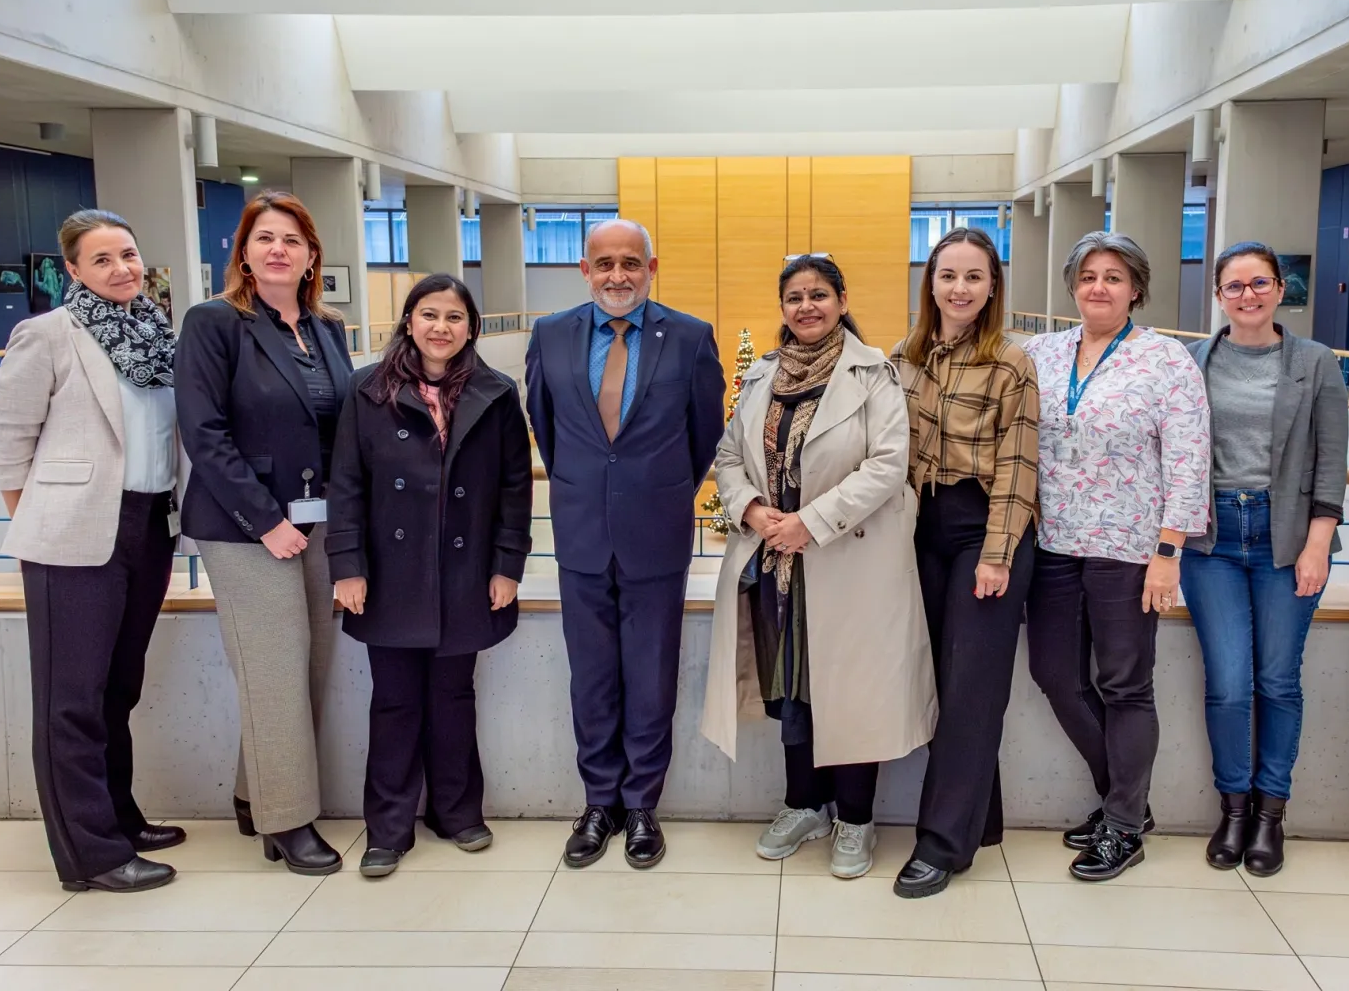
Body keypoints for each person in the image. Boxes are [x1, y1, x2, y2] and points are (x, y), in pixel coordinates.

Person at [700, 256, 935, 880]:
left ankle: (855, 819)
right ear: (783, 307)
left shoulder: (873, 375)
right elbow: (728, 454)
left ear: (841, 299)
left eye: (819, 295)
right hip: (777, 561)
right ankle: (805, 804)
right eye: (795, 297)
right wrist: (752, 510)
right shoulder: (762, 377)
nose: (807, 306)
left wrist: (811, 521)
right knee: (791, 688)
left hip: (850, 560)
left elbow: (888, 465)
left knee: (853, 693)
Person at [0, 210, 183, 893]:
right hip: (74, 536)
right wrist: (43, 522)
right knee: (71, 699)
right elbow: (9, 440)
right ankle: (90, 855)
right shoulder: (47, 335)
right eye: (101, 260)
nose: (121, 269)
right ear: (71, 270)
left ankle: (119, 818)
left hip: (149, 524)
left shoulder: (157, 333)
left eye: (127, 255)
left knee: (117, 688)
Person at [525, 218, 726, 869]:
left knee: (650, 676)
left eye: (631, 263)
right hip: (581, 534)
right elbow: (547, 431)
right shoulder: (550, 335)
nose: (618, 275)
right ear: (585, 270)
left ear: (651, 266)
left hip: (657, 535)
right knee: (592, 678)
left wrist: (656, 492)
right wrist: (591, 490)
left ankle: (642, 805)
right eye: (604, 263)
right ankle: (599, 803)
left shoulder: (691, 339)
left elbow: (703, 437)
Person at [326, 274, 533, 877]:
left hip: (467, 571)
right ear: (409, 322)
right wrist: (347, 567)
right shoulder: (366, 390)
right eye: (429, 315)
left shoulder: (496, 393)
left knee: (452, 697)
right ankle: (387, 829)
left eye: (454, 317)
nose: (441, 327)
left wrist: (507, 565)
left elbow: (515, 487)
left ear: (472, 327)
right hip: (390, 573)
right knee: (393, 702)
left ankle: (458, 812)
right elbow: (347, 484)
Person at [1021, 232, 1210, 882]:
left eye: (1114, 277)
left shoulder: (1165, 361)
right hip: (1053, 543)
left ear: (1136, 288)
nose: (1099, 287)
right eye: (1088, 276)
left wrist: (1169, 551)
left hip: (1129, 549)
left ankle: (1124, 824)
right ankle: (1125, 800)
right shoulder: (1042, 352)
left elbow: (1189, 463)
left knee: (1125, 685)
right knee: (1054, 674)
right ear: (1073, 285)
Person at [175, 191, 352, 875]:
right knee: (275, 670)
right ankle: (289, 822)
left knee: (304, 667)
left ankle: (255, 795)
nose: (278, 249)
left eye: (292, 239)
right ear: (244, 252)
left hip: (318, 524)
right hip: (247, 528)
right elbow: (204, 433)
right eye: (264, 237)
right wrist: (267, 520)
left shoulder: (327, 328)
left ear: (311, 257)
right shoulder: (214, 323)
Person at [1180, 241, 1349, 877]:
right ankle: (1233, 807)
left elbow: (1332, 458)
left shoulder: (1315, 362)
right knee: (1228, 684)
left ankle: (1271, 813)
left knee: (1278, 681)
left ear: (1280, 290)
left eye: (1260, 284)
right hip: (1212, 539)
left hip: (1285, 537)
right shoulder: (1193, 361)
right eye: (1234, 286)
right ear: (1218, 295)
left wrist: (1316, 543)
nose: (1247, 295)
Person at [888, 228, 1039, 899]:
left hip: (986, 528)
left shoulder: (1011, 361)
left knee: (975, 688)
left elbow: (1019, 465)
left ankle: (942, 844)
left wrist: (998, 554)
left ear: (992, 286)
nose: (959, 289)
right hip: (923, 528)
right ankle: (982, 820)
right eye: (947, 276)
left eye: (974, 277)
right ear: (931, 284)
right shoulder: (907, 355)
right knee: (943, 684)